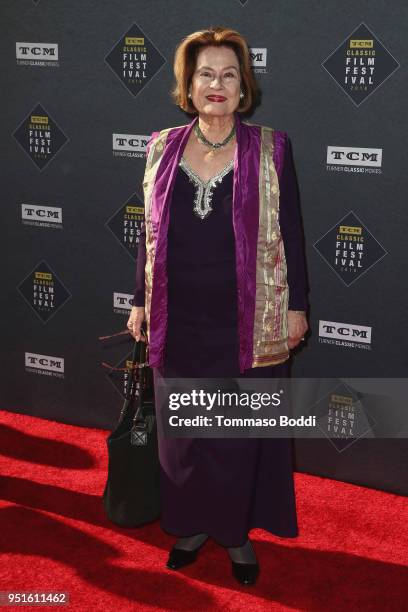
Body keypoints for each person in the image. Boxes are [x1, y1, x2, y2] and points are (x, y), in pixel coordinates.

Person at [127, 26, 309, 586]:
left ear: (243, 86)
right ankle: (190, 526)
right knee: (184, 432)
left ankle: (234, 534)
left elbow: (293, 231)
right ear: (188, 83)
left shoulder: (272, 147)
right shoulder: (162, 145)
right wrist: (139, 300)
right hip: (177, 317)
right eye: (206, 73)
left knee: (235, 434)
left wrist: (297, 306)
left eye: (229, 74)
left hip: (247, 319)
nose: (217, 84)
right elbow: (148, 234)